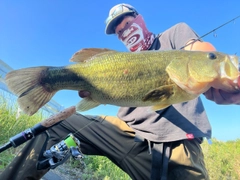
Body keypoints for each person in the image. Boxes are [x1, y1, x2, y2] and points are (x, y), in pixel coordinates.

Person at [1, 3, 240, 180]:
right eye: (119, 31)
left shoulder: (175, 35)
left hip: (178, 145)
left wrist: (222, 76)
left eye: (127, 23)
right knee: (57, 124)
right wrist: (96, 92)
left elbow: (202, 50)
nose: (125, 30)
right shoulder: (119, 62)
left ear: (141, 19)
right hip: (126, 135)